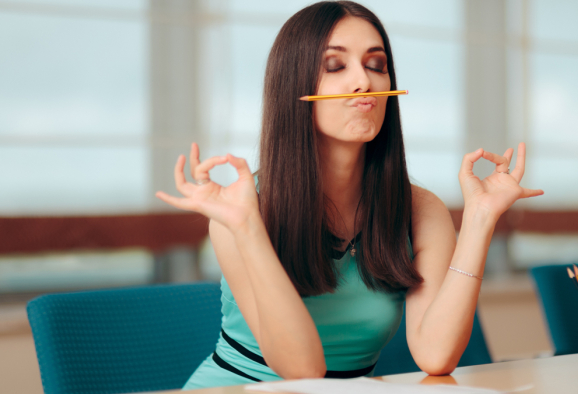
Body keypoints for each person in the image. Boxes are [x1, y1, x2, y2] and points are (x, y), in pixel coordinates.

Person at [156, 1, 543, 390]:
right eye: (335, 66)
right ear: (295, 86)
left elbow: (435, 354)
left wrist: (480, 218)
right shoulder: (240, 210)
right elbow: (302, 371)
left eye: (376, 65)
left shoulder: (422, 212)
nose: (365, 82)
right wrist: (248, 228)